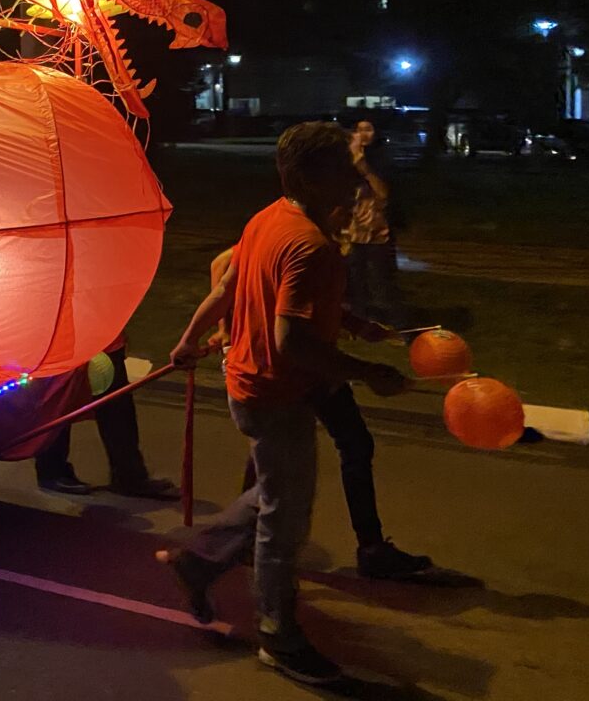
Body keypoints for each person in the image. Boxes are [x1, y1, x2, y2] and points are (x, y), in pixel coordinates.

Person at [162, 122, 408, 685]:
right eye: (343, 169)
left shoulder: (269, 218)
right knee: (284, 521)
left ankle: (198, 562)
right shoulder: (312, 246)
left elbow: (228, 290)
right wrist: (368, 373)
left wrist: (353, 323)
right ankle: (278, 635)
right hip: (277, 393)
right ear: (310, 177)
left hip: (251, 385)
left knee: (276, 492)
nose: (354, 180)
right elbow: (291, 340)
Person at [210, 247, 431, 580]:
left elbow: (305, 301)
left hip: (311, 362)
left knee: (300, 455)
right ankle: (218, 554)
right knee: (286, 466)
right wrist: (228, 337)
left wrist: (357, 325)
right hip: (293, 367)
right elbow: (225, 268)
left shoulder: (314, 238)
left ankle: (367, 548)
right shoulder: (289, 235)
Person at [33, 332, 182, 499]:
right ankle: (52, 470)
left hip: (103, 338)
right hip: (64, 341)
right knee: (58, 400)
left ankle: (128, 475)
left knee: (117, 406)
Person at [344, 119, 399, 326]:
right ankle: (359, 319)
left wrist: (363, 167)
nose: (363, 135)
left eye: (368, 129)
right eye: (358, 130)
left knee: (381, 278)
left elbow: (384, 193)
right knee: (355, 278)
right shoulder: (347, 160)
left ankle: (396, 323)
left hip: (377, 229)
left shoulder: (381, 158)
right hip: (353, 228)